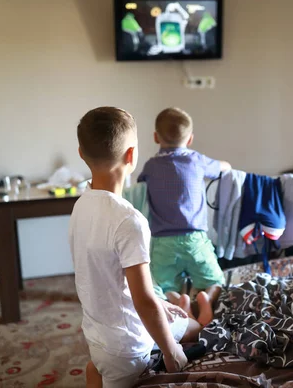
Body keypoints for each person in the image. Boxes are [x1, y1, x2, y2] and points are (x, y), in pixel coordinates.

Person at [69, 107, 203, 388]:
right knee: (194, 333)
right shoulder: (129, 220)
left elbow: (110, 278)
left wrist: (161, 305)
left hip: (97, 334)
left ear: (81, 153)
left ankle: (99, 370)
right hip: (126, 347)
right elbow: (142, 300)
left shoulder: (81, 205)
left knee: (191, 328)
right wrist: (171, 352)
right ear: (131, 155)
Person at [138, 107, 231, 326]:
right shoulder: (196, 160)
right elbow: (223, 168)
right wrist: (226, 166)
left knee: (162, 284)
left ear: (155, 137)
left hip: (162, 242)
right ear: (190, 139)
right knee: (215, 278)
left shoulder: (150, 166)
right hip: (195, 239)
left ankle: (179, 300)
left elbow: (141, 186)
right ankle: (206, 297)